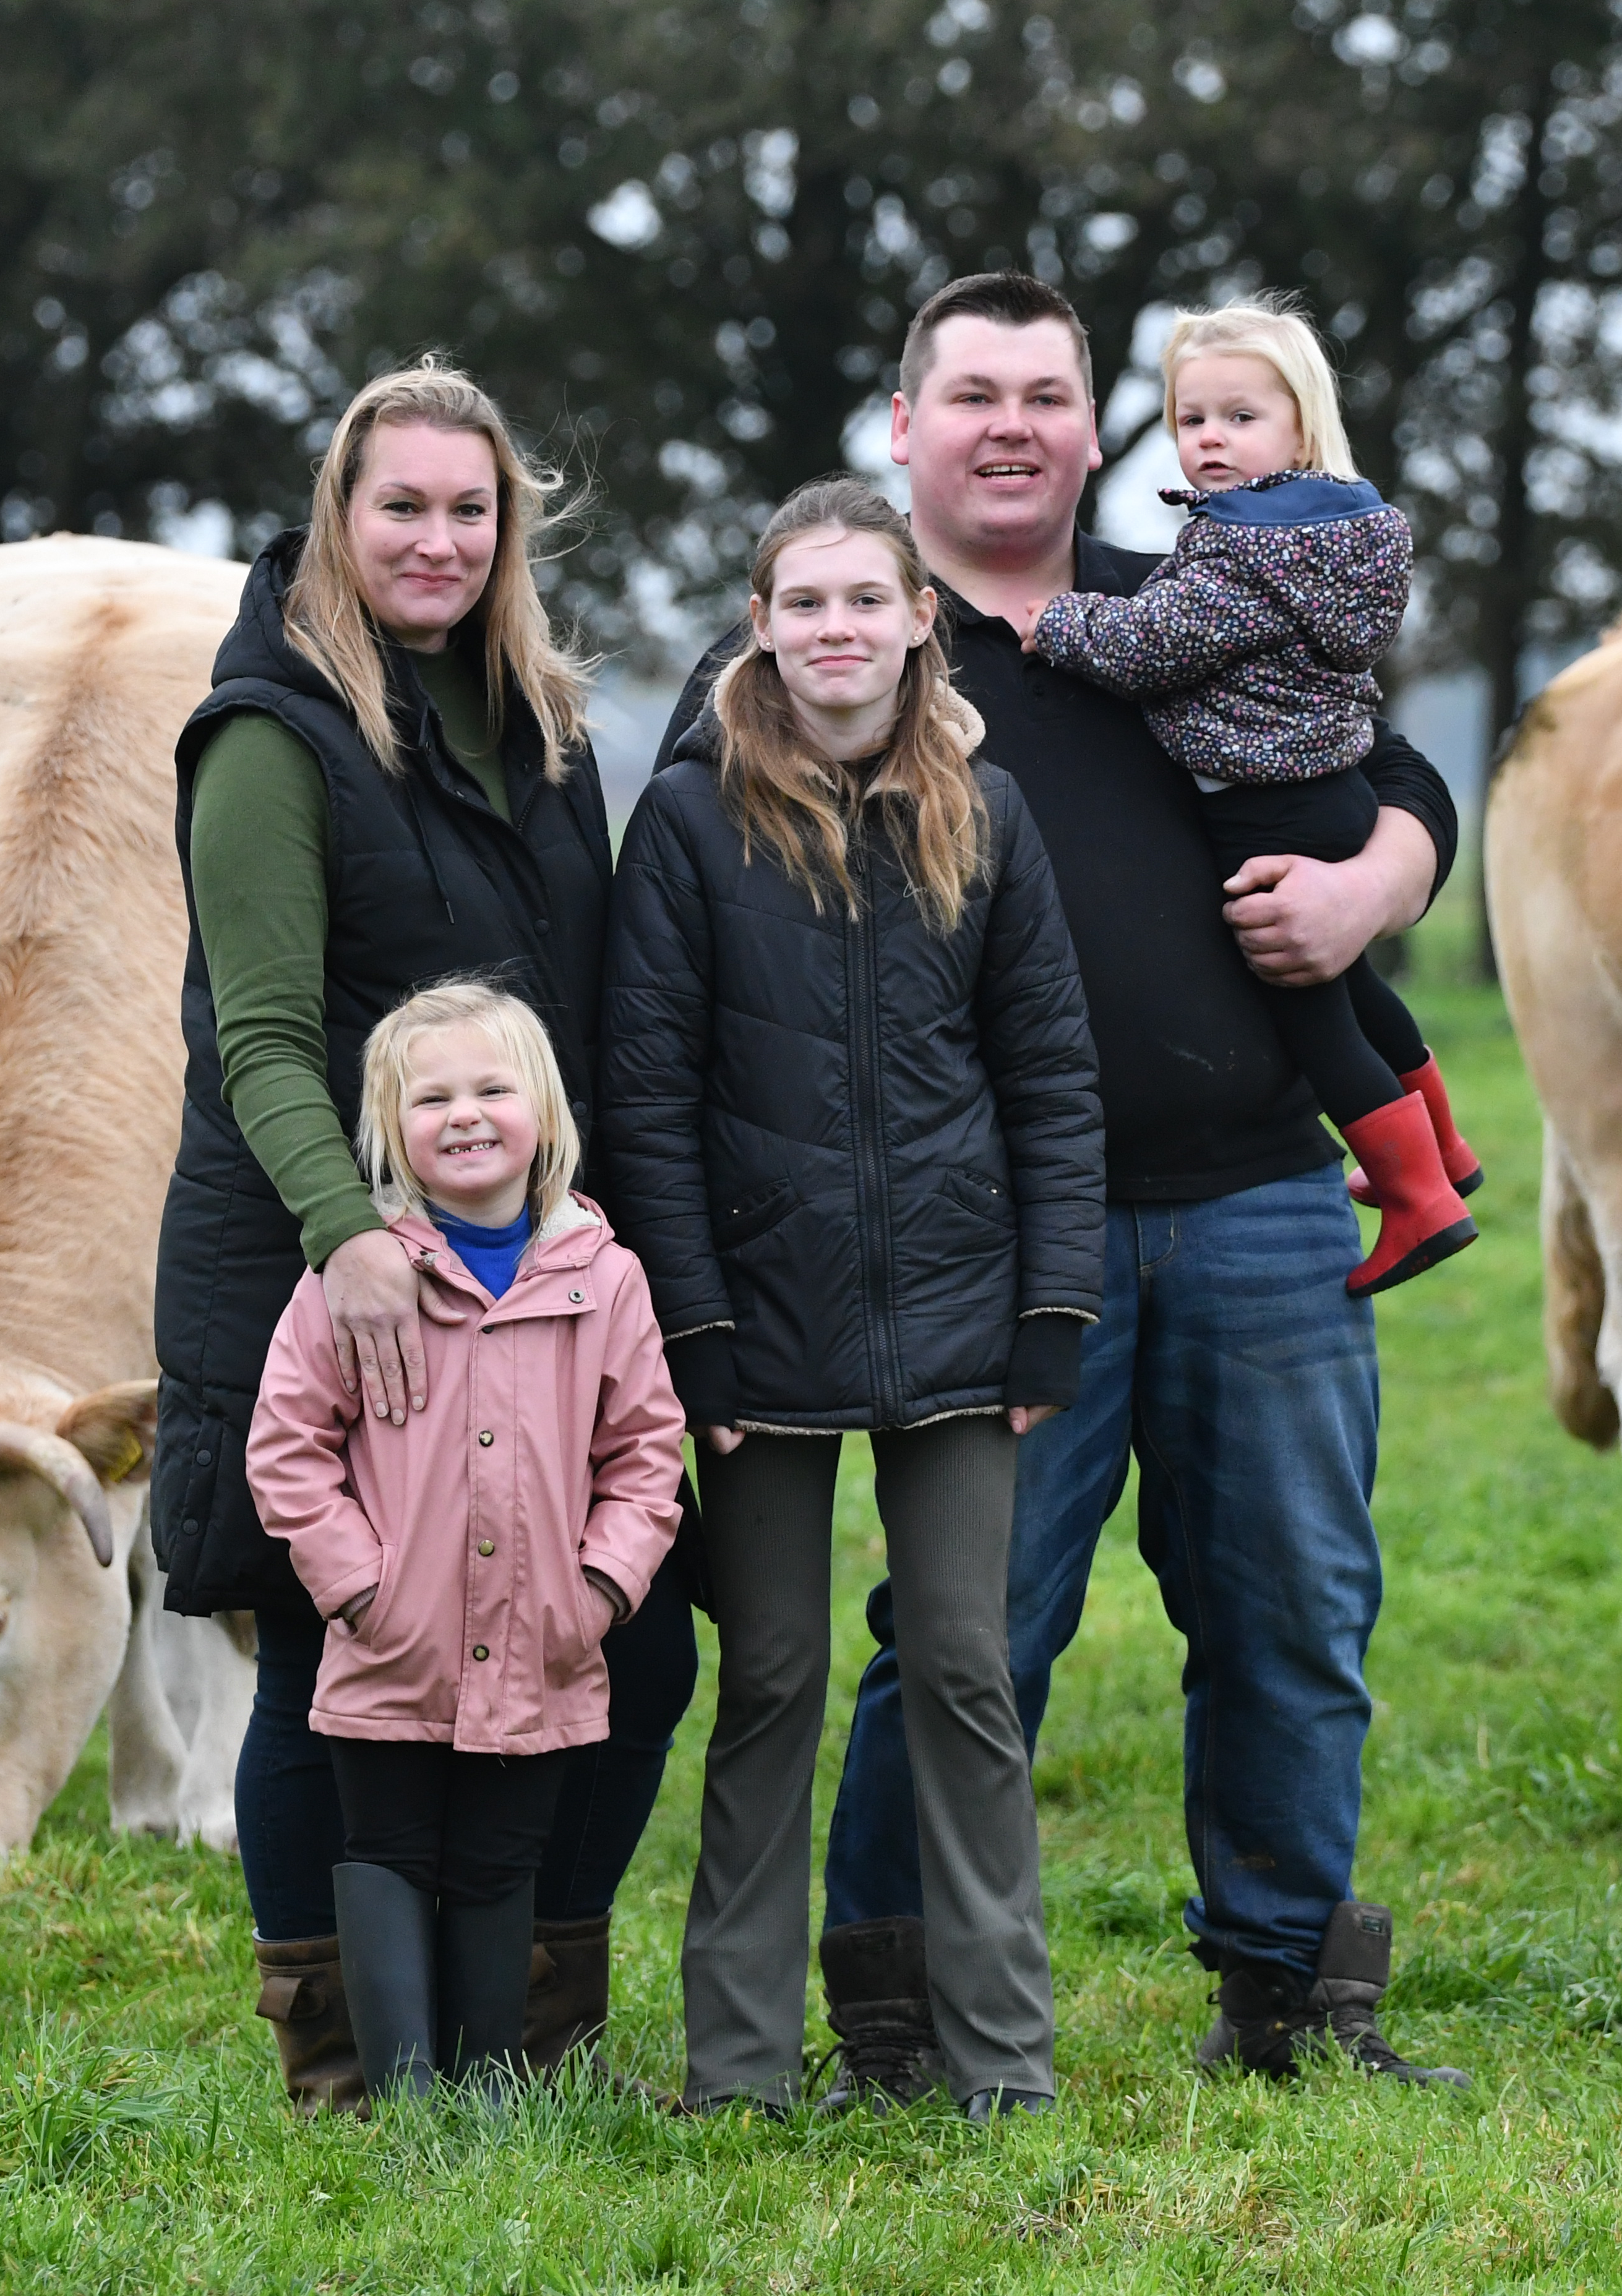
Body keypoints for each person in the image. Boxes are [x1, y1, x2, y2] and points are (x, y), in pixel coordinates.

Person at [656, 274, 1469, 2101]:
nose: (1013, 425)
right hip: (989, 1236)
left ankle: (1290, 1995)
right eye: (976, 396)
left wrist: (1378, 884)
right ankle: (893, 2013)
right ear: (903, 424)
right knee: (967, 1633)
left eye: (1048, 394)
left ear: (1092, 425)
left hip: (1261, 1192)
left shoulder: (1185, 595)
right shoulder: (850, 634)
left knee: (1293, 1609)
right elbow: (703, 894)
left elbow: (1389, 760)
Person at [150, 359, 699, 2114]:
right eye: (404, 506)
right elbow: (254, 1033)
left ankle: (521, 2028)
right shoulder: (270, 734)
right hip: (327, 1256)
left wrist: (597, 1254)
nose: (440, 540)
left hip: (518, 1272)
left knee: (628, 1633)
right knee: (340, 1655)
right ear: (339, 516)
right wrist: (350, 1239)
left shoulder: (537, 724)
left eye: (473, 510)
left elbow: (582, 1015)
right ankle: (347, 2059)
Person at [598, 475, 1106, 2120]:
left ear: (914, 623)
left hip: (964, 1326)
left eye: (863, 603)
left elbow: (1048, 1074)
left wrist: (1054, 1307)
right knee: (772, 1681)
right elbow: (646, 1097)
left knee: (967, 1666)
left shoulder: (990, 810)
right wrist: (694, 1330)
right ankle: (737, 2070)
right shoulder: (685, 820)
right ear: (761, 627)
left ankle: (1000, 2062)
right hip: (753, 1332)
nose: (836, 631)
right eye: (803, 604)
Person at [247, 983, 685, 2099]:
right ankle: (402, 2098)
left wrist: (599, 1591)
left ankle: (489, 2090)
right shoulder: (356, 1282)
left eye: (493, 1089)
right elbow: (288, 1444)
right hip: (394, 1644)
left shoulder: (606, 1277)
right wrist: (357, 1589)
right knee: (391, 1850)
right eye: (431, 1098)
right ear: (391, 1132)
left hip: (545, 1645)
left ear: (542, 1109)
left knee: (502, 1862)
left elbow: (645, 1454)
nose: (466, 1114)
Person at [1026, 295, 1482, 1297]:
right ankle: (1443, 1150)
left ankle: (1417, 1202)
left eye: (1240, 418)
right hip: (1323, 789)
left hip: (1265, 807)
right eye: (1193, 420)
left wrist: (1056, 626)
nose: (1210, 441)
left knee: (1313, 1017)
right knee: (1362, 992)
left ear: (1302, 428)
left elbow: (1153, 645)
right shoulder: (1333, 538)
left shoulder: (1244, 550)